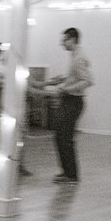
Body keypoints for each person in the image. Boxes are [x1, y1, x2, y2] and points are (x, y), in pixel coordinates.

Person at [44, 27, 94, 183]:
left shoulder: (79, 58)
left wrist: (65, 88)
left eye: (64, 40)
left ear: (72, 39)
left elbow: (87, 81)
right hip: (70, 100)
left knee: (65, 138)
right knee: (61, 136)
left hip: (73, 102)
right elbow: (77, 78)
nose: (62, 43)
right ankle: (67, 172)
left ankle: (71, 175)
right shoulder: (75, 55)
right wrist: (64, 80)